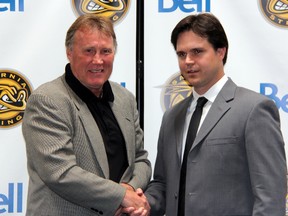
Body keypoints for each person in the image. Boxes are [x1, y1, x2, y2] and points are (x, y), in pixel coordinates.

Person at [145, 13, 287, 215]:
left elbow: (270, 198)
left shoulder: (254, 109)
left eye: (197, 52)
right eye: (181, 54)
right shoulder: (172, 116)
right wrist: (140, 203)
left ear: (221, 51)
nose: (188, 61)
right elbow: (162, 184)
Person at [22, 14, 151, 216]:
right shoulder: (47, 100)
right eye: (89, 51)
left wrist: (131, 191)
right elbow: (60, 172)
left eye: (105, 51)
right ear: (69, 53)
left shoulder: (124, 98)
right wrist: (121, 196)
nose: (98, 60)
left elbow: (141, 160)